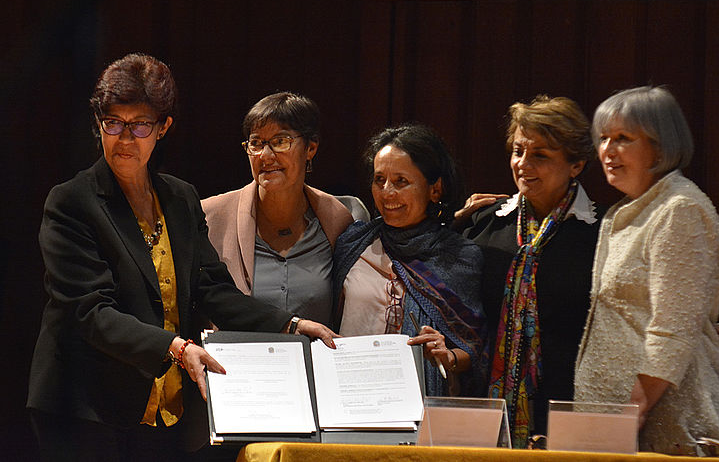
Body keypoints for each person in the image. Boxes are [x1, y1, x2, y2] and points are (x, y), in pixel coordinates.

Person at [27, 54, 336, 462]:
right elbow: (88, 312)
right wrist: (175, 347)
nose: (124, 139)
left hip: (160, 407)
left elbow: (210, 288)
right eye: (112, 124)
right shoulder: (71, 202)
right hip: (85, 407)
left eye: (139, 125)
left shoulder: (179, 197)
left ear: (163, 127)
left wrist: (290, 324)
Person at [573, 85, 719, 455]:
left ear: (660, 147)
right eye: (604, 138)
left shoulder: (679, 209)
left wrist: (632, 411)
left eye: (624, 139)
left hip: (663, 422)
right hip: (615, 424)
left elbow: (673, 328)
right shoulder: (623, 213)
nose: (608, 151)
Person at [457, 95, 600, 447]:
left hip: (572, 416)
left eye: (540, 155)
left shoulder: (601, 233)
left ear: (576, 164)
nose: (523, 164)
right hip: (484, 415)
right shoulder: (483, 224)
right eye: (518, 151)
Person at [332, 124, 487, 397]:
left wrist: (448, 355)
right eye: (380, 180)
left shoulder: (459, 256)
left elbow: (476, 349)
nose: (387, 192)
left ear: (435, 189)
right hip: (348, 393)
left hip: (421, 403)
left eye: (401, 182)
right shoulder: (353, 243)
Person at [202, 92, 368, 326]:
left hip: (316, 360)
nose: (266, 156)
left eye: (280, 142)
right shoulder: (210, 217)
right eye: (256, 144)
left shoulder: (337, 218)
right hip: (236, 361)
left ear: (310, 148)